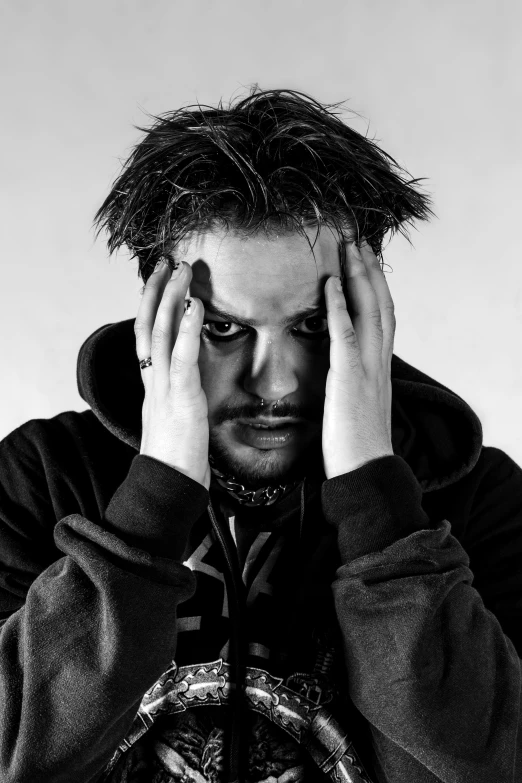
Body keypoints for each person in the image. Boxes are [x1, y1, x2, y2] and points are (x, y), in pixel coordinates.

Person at [0, 87, 520, 783]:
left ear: (374, 310)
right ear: (155, 311)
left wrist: (380, 507)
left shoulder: (475, 498)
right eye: (222, 328)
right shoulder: (46, 476)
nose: (274, 384)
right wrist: (152, 500)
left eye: (311, 326)